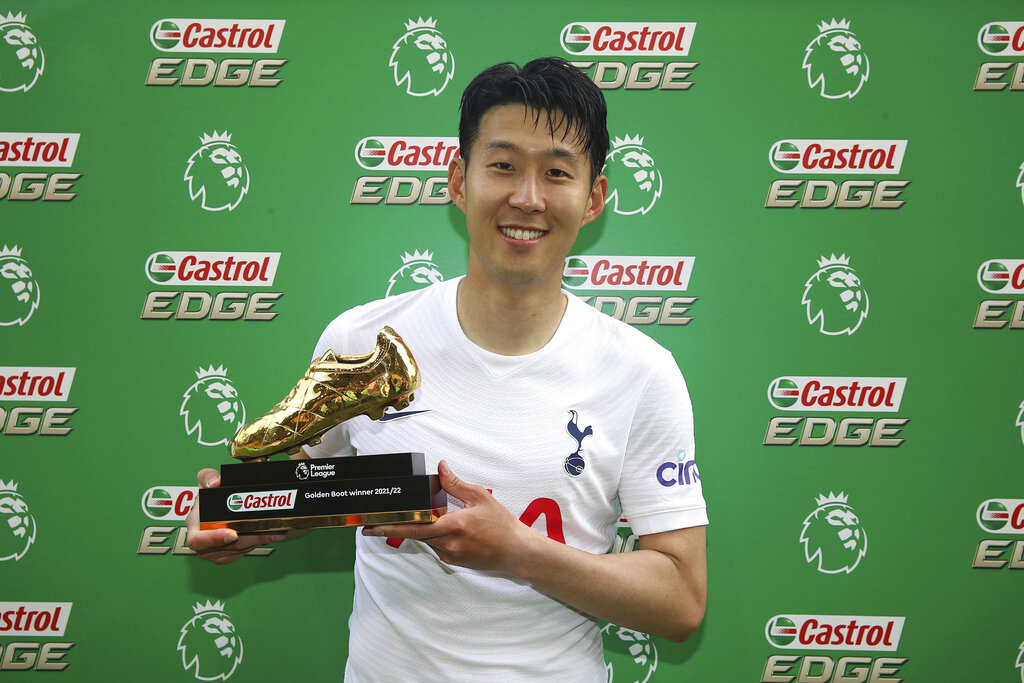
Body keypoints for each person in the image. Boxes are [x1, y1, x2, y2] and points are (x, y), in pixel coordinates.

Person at [187, 56, 707, 681]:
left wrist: (517, 552)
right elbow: (308, 489)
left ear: (593, 197)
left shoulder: (642, 371)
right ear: (460, 181)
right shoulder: (363, 342)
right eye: (503, 165)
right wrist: (241, 516)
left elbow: (681, 599)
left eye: (557, 172)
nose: (528, 198)